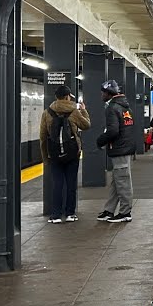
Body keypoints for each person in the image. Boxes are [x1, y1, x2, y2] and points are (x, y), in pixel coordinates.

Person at [39, 85, 91, 224]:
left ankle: (55, 215)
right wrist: (84, 111)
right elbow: (86, 125)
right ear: (68, 96)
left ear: (56, 97)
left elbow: (43, 137)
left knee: (57, 184)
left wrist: (45, 158)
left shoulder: (47, 113)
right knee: (71, 184)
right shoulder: (74, 111)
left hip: (54, 154)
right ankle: (70, 214)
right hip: (72, 153)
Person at [95, 79, 138, 223]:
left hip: (120, 148)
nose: (101, 95)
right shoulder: (125, 107)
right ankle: (109, 210)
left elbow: (113, 131)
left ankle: (125, 212)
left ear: (109, 93)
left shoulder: (112, 108)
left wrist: (100, 141)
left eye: (103, 92)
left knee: (123, 181)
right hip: (125, 147)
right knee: (117, 181)